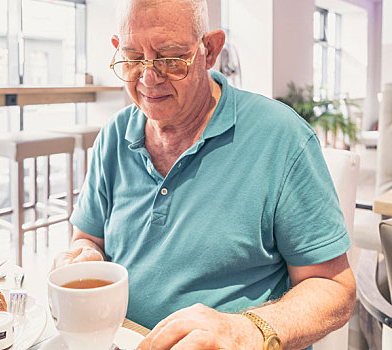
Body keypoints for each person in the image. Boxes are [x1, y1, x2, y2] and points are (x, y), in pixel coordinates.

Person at [53, 0, 356, 348]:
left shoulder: (281, 138)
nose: (149, 78)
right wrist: (85, 256)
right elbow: (88, 238)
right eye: (134, 58)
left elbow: (335, 288)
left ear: (209, 50)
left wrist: (247, 330)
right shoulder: (113, 136)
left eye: (170, 57)